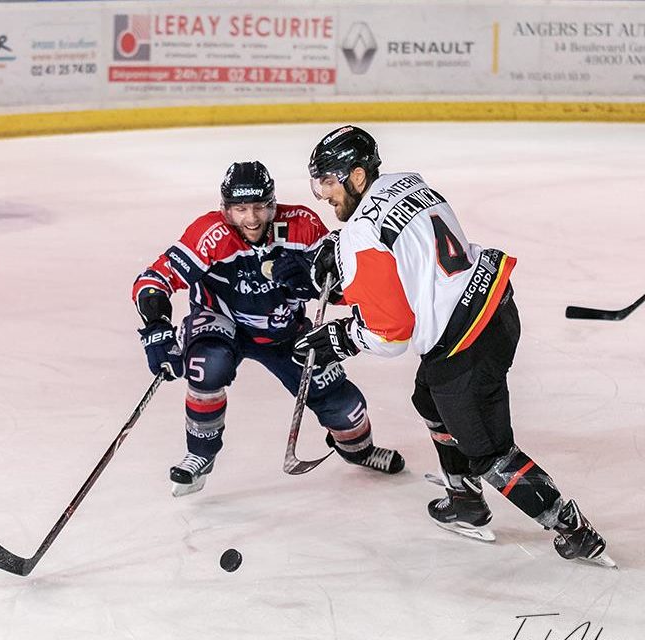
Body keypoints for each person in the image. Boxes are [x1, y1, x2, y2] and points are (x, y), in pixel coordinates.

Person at [296, 125, 613, 566]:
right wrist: (352, 283)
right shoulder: (410, 182)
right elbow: (413, 261)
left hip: (465, 344)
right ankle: (464, 501)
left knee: (489, 453)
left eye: (329, 182)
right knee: (427, 396)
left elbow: (392, 335)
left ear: (356, 177)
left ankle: (573, 529)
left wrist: (339, 336)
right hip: (496, 306)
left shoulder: (356, 238)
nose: (324, 195)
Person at [132, 161, 405, 498]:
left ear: (273, 204)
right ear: (225, 209)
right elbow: (154, 279)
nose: (251, 218)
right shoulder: (210, 233)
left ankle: (358, 450)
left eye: (260, 206)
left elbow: (343, 287)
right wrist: (156, 327)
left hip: (284, 329)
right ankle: (200, 455)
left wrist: (310, 280)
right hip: (221, 322)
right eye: (241, 209)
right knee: (208, 366)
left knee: (345, 407)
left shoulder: (302, 225)